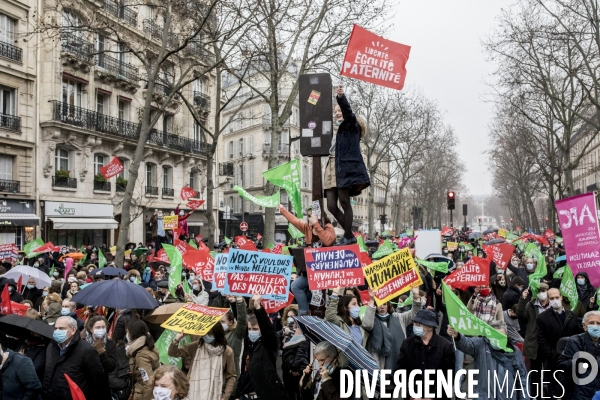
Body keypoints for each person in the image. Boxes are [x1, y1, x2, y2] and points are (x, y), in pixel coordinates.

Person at [324, 85, 370, 245]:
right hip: (331, 165)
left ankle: (348, 236)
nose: (337, 112)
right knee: (330, 205)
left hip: (343, 168)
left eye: (339, 110)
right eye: (335, 111)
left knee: (344, 202)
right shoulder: (338, 129)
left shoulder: (351, 125)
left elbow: (349, 112)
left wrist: (341, 98)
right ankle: (349, 234)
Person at [447, 322, 530, 400]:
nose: (498, 340)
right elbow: (466, 344)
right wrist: (458, 336)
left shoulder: (514, 351)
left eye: (501, 336)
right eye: (495, 336)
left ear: (506, 336)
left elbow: (522, 378)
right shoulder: (480, 345)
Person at [234, 294, 287, 400]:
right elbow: (241, 323)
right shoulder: (249, 345)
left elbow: (268, 330)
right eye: (250, 329)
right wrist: (238, 300)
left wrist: (258, 307)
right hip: (244, 395)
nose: (251, 332)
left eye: (255, 329)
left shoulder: (268, 345)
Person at [43, 316, 110, 400]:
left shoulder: (86, 350)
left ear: (73, 330)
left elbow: (97, 380)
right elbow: (48, 374)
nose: (57, 331)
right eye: (55, 328)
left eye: (61, 328)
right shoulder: (51, 347)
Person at [396, 309, 455, 400]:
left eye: (419, 323)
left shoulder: (445, 346)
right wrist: (411, 395)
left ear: (430, 327)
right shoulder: (407, 344)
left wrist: (431, 397)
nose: (415, 325)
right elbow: (400, 372)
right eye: (414, 322)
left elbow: (448, 377)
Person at [168, 323, 236, 400]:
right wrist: (177, 339)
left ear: (217, 333)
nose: (206, 336)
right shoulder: (197, 346)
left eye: (210, 334)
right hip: (192, 394)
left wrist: (225, 397)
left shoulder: (227, 352)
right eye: (205, 333)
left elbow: (231, 376)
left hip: (215, 395)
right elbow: (172, 353)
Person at [537, 288, 582, 398]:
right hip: (553, 361)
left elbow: (578, 335)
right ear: (548, 299)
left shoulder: (571, 315)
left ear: (561, 297)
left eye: (556, 297)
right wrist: (552, 354)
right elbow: (541, 339)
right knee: (556, 392)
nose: (555, 300)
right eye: (551, 298)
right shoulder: (542, 317)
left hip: (571, 360)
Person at [361, 287, 422, 369]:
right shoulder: (372, 320)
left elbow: (415, 314)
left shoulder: (398, 318)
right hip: (378, 367)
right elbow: (367, 324)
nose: (382, 307)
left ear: (388, 305)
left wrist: (416, 296)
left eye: (384, 304)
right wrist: (371, 300)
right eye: (379, 304)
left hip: (398, 364)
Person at [559, 311, 600, 399]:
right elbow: (562, 364)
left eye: (598, 323)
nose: (595, 326)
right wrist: (580, 360)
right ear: (584, 326)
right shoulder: (574, 341)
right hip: (580, 392)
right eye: (592, 323)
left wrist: (591, 360)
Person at [517, 283, 550, 396]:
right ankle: (534, 394)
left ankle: (548, 394)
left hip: (549, 343)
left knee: (549, 371)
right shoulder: (530, 305)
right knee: (535, 372)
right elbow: (520, 314)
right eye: (539, 291)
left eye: (544, 290)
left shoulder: (553, 305)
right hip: (534, 343)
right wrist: (523, 299)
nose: (542, 293)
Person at [280, 305, 309, 400]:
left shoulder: (301, 332)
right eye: (288, 316)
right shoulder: (285, 332)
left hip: (298, 370)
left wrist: (294, 368)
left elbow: (301, 352)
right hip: (287, 370)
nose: (290, 319)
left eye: (292, 316)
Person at [126, 319, 160, 400]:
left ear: (131, 334)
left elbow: (148, 382)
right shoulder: (148, 344)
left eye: (127, 332)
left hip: (143, 395)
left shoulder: (141, 355)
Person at [221, 295, 247, 378]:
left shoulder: (236, 334)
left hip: (231, 373)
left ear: (231, 322)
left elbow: (242, 320)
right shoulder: (215, 334)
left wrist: (239, 302)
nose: (220, 324)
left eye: (222, 322)